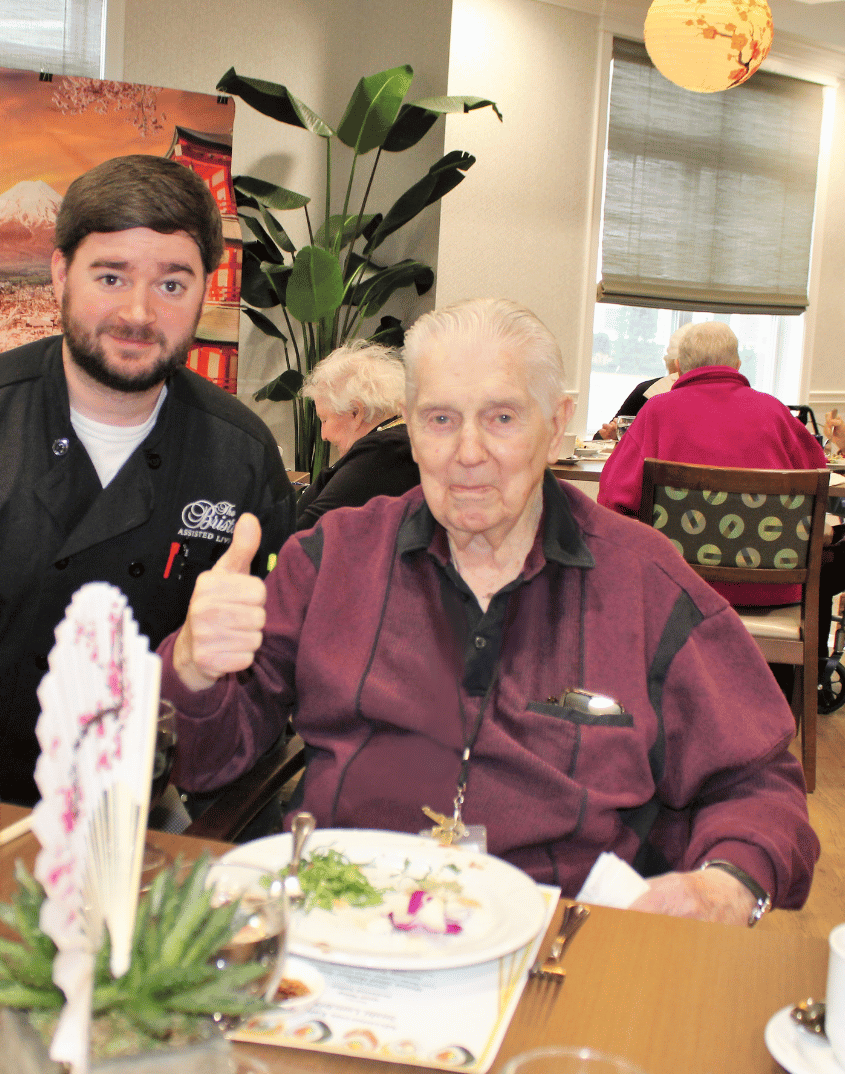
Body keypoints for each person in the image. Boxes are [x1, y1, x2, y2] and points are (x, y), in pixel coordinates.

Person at [160, 298, 817, 926]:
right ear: (409, 428)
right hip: (343, 918)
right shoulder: (332, 558)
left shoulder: (645, 583)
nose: (468, 452)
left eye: (502, 417)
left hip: (557, 939)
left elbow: (757, 783)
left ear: (555, 427)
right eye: (441, 419)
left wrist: (728, 884)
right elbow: (208, 760)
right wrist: (192, 668)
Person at [0, 154, 296, 805]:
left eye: (171, 284)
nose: (138, 313)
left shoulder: (240, 454)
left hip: (147, 814)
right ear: (60, 274)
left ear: (203, 292)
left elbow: (266, 693)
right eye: (111, 276)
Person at [597, 321, 826, 609]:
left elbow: (611, 500)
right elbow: (817, 478)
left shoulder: (656, 412)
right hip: (772, 590)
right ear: (738, 366)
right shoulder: (775, 411)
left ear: (678, 367)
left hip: (673, 590)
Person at [296, 343, 419, 530]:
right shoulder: (394, 442)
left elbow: (305, 532)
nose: (323, 435)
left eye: (325, 420)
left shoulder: (384, 452)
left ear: (356, 412)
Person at [595, 323, 693, 440]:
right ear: (676, 365)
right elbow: (601, 436)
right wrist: (615, 435)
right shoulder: (647, 391)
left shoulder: (649, 391)